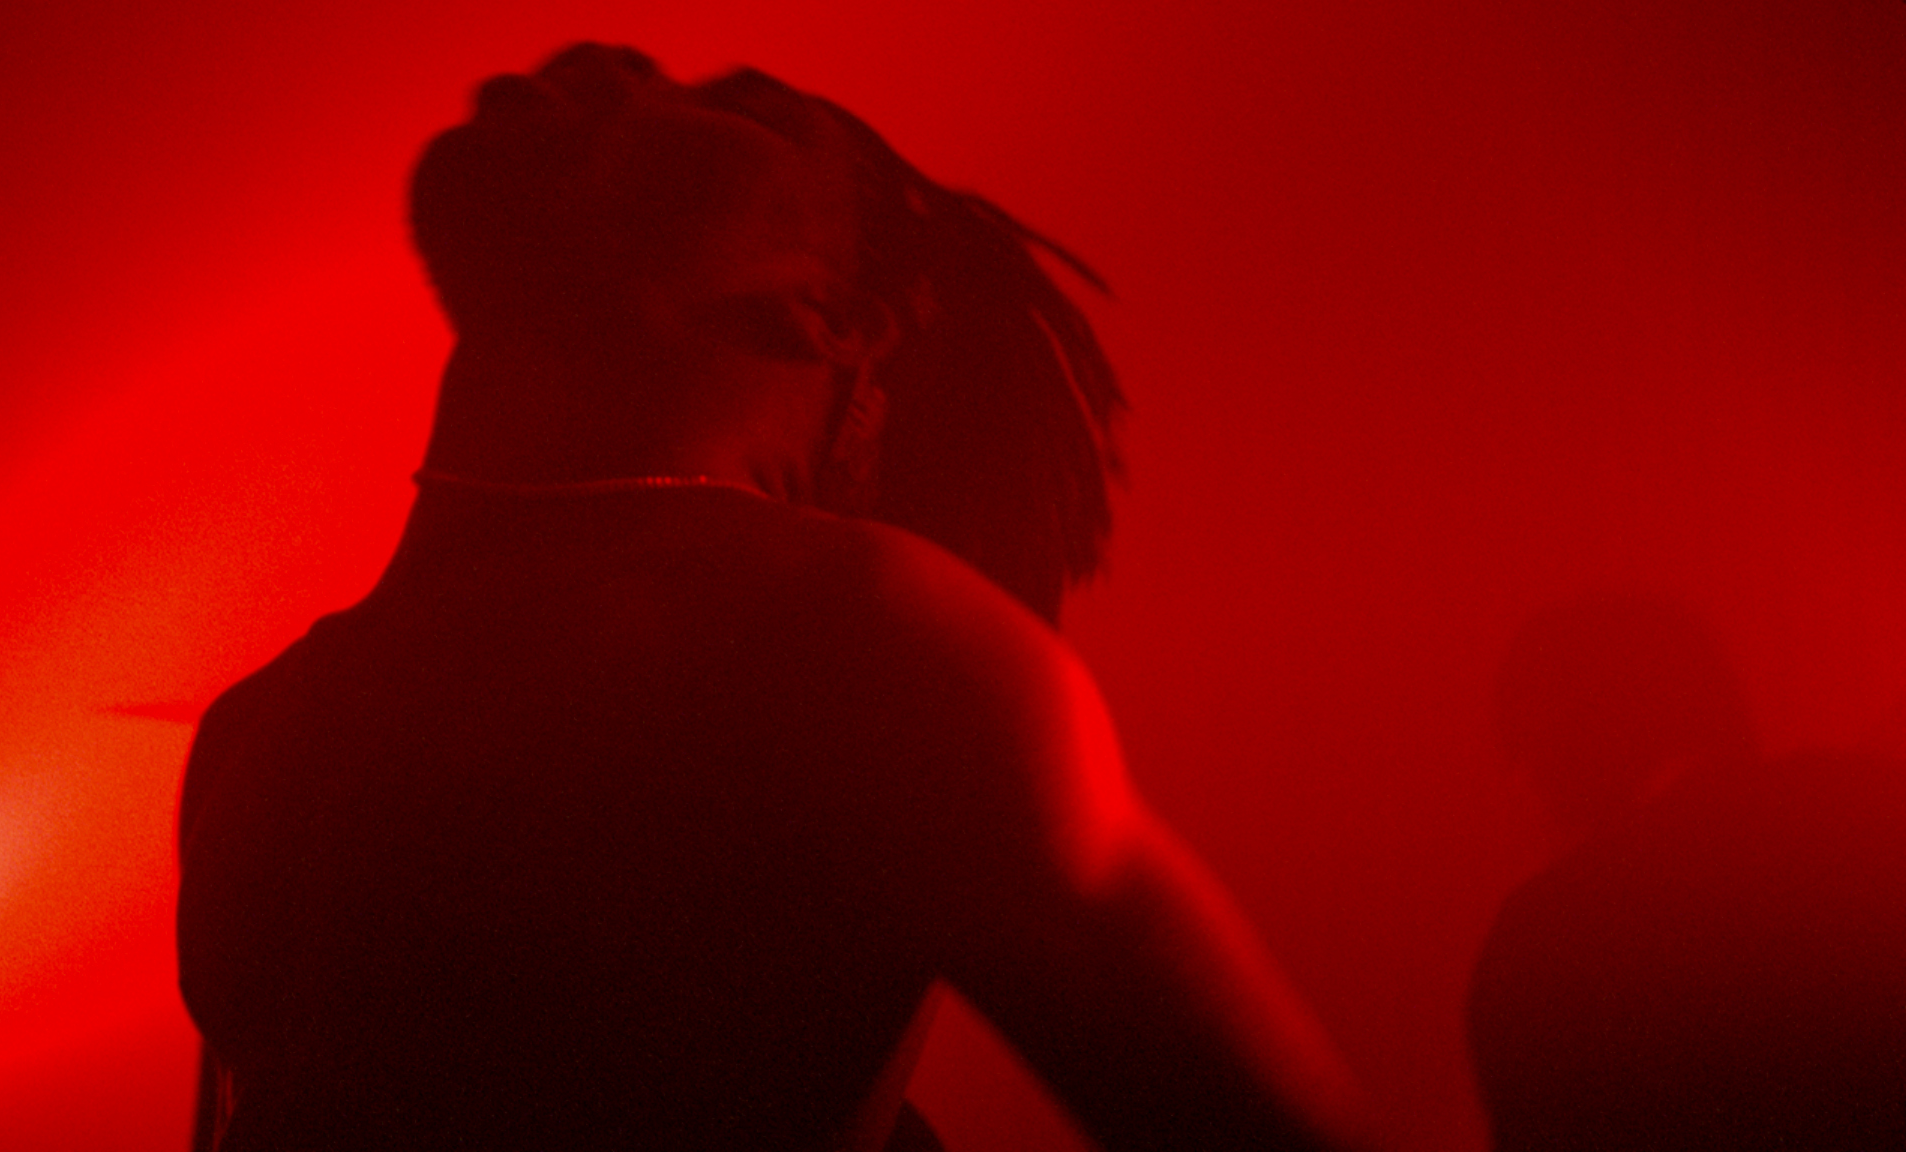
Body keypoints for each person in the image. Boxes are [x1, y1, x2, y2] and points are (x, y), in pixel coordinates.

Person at [177, 43, 1377, 1152]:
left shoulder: (869, 654)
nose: (614, 55)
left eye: (741, 110)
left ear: (831, 316)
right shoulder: (260, 717)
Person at [1468, 592, 1906, 1150]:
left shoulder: (1544, 942)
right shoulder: (1870, 814)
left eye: (1520, 749)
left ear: (1561, 742)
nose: (1517, 787)